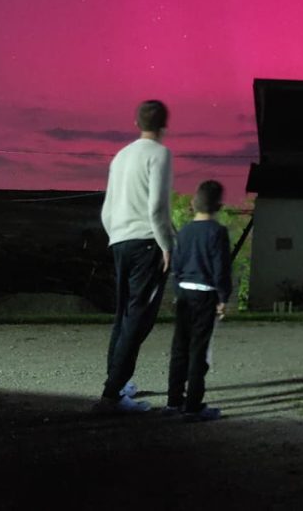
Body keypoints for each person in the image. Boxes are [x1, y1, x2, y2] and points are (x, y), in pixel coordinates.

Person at [94, 99, 176, 414]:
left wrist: (115, 234)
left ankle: (117, 381)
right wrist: (166, 243)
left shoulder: (121, 156)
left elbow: (107, 207)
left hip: (120, 239)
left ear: (136, 122)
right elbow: (157, 206)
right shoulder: (160, 155)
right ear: (165, 125)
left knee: (123, 315)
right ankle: (113, 393)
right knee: (139, 317)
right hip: (146, 242)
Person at [163, 179, 232, 421]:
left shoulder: (185, 232)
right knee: (198, 349)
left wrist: (178, 289)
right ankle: (193, 405)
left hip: (184, 291)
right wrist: (223, 297)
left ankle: (173, 401)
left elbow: (177, 265)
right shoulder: (218, 233)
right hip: (205, 293)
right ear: (219, 206)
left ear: (194, 204)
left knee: (179, 346)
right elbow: (220, 268)